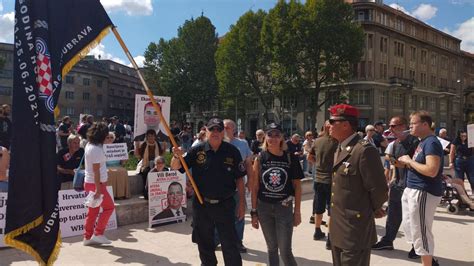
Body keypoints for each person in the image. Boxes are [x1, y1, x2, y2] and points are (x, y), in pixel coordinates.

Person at [170, 117, 246, 266]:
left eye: (219, 129)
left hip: (225, 204)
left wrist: (242, 203)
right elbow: (175, 166)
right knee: (204, 243)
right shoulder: (197, 150)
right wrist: (175, 155)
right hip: (202, 203)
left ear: (223, 132)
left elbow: (239, 179)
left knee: (229, 243)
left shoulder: (232, 151)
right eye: (212, 129)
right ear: (206, 131)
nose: (215, 132)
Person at [328, 104, 388, 266]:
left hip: (355, 228)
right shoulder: (340, 148)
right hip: (338, 227)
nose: (329, 126)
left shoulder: (363, 150)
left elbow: (380, 188)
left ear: (346, 124)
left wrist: (373, 208)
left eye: (333, 122)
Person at [250, 122, 303, 266]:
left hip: (284, 207)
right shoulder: (260, 158)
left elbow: (297, 186)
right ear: (265, 138)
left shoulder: (290, 158)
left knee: (285, 251)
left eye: (277, 135)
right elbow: (255, 187)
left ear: (282, 138)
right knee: (272, 248)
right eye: (270, 135)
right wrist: (254, 212)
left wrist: (297, 211)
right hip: (264, 208)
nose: (273, 138)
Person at [398, 111, 443, 266]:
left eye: (413, 123)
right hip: (413, 189)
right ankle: (429, 260)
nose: (410, 126)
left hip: (423, 191)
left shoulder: (431, 142)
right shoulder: (422, 141)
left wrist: (409, 161)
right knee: (411, 227)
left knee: (421, 232)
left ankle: (428, 263)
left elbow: (431, 170)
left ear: (425, 124)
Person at [372, 116, 420, 260]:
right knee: (393, 215)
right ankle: (387, 241)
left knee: (412, 218)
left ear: (403, 126)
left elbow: (414, 163)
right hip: (398, 184)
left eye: (394, 126)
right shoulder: (396, 142)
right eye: (390, 126)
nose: (391, 128)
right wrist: (394, 172)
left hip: (411, 185)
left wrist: (399, 162)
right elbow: (391, 160)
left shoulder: (415, 142)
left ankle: (416, 247)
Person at [222, 119, 253, 253]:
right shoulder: (218, 143)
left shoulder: (242, 144)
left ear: (234, 129)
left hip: (237, 186)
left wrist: (250, 180)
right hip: (221, 187)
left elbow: (248, 163)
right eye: (223, 127)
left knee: (239, 214)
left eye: (227, 127)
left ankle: (238, 241)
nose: (224, 129)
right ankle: (218, 239)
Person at [83, 122, 115, 246]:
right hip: (97, 185)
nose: (108, 137)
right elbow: (96, 171)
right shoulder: (96, 149)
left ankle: (87, 237)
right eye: (106, 135)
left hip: (90, 183)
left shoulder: (90, 145)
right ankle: (98, 233)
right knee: (109, 207)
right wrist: (98, 189)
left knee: (92, 212)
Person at [307, 121, 338, 249]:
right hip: (332, 180)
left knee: (318, 208)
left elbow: (309, 157)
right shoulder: (337, 142)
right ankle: (330, 238)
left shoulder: (317, 141)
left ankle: (317, 231)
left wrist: (318, 164)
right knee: (332, 210)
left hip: (318, 179)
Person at [135, 129, 164, 199]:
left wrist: (165, 146)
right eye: (149, 136)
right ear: (147, 137)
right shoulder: (144, 144)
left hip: (156, 164)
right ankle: (147, 190)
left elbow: (161, 154)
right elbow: (139, 155)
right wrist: (137, 146)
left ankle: (160, 190)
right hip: (146, 164)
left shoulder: (157, 144)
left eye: (152, 136)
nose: (151, 138)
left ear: (155, 137)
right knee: (146, 172)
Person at [104, 132, 130, 199]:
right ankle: (110, 195)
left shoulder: (118, 147)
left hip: (118, 166)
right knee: (109, 172)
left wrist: (124, 159)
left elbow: (122, 163)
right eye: (108, 137)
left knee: (123, 171)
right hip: (106, 166)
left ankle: (120, 194)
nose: (109, 139)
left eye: (111, 137)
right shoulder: (102, 148)